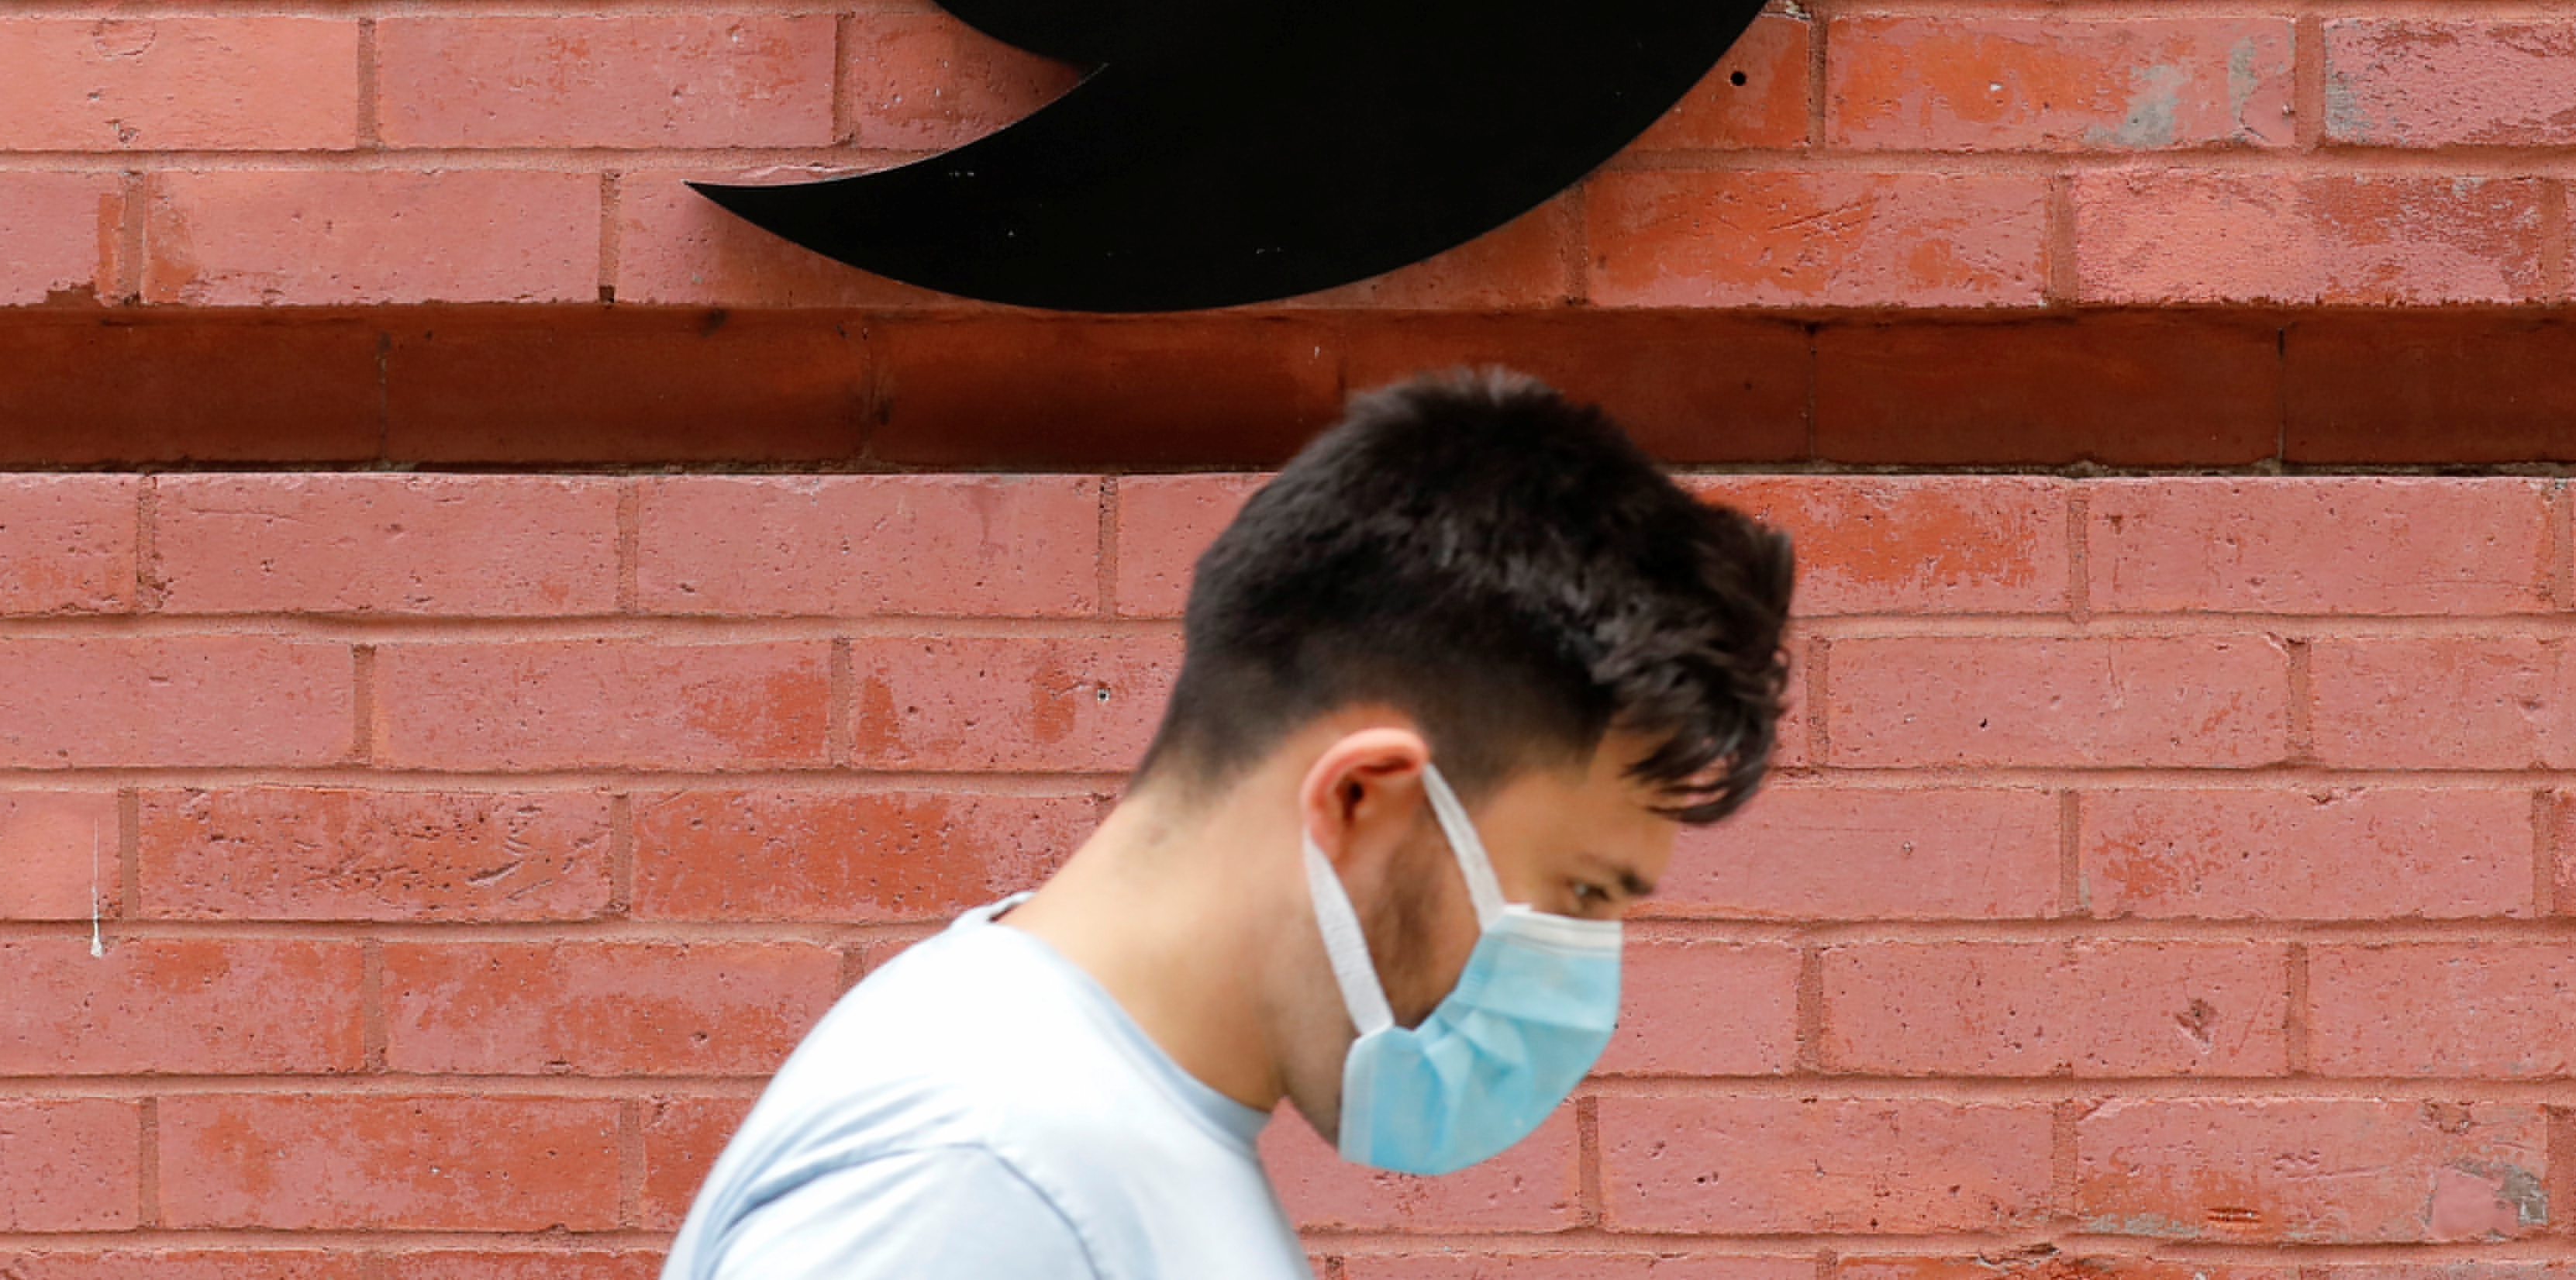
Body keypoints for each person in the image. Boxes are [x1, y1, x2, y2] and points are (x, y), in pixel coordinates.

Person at [659, 367, 1797, 1278]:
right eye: (1580, 890)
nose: (1582, 973)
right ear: (1362, 799)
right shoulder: (983, 1175)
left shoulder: (1090, 1129)